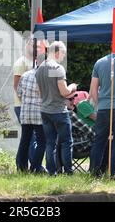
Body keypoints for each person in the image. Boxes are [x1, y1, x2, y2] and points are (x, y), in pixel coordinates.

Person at [35, 41, 77, 175]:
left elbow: (40, 92)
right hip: (58, 111)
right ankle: (68, 172)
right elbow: (64, 91)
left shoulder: (40, 68)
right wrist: (72, 87)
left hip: (45, 110)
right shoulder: (57, 69)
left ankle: (51, 172)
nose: (63, 57)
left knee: (50, 143)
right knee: (66, 142)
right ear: (57, 52)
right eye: (63, 54)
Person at [16, 55, 46, 173]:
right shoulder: (45, 76)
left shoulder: (25, 74)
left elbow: (19, 93)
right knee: (41, 141)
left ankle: (21, 167)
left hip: (25, 113)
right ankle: (35, 167)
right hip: (38, 113)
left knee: (25, 140)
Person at [13, 37, 36, 165]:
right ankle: (31, 165)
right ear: (27, 45)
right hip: (22, 106)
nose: (35, 47)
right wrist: (26, 101)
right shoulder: (21, 62)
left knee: (28, 137)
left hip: (29, 106)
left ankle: (23, 165)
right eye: (33, 44)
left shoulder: (35, 62)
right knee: (30, 136)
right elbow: (16, 85)